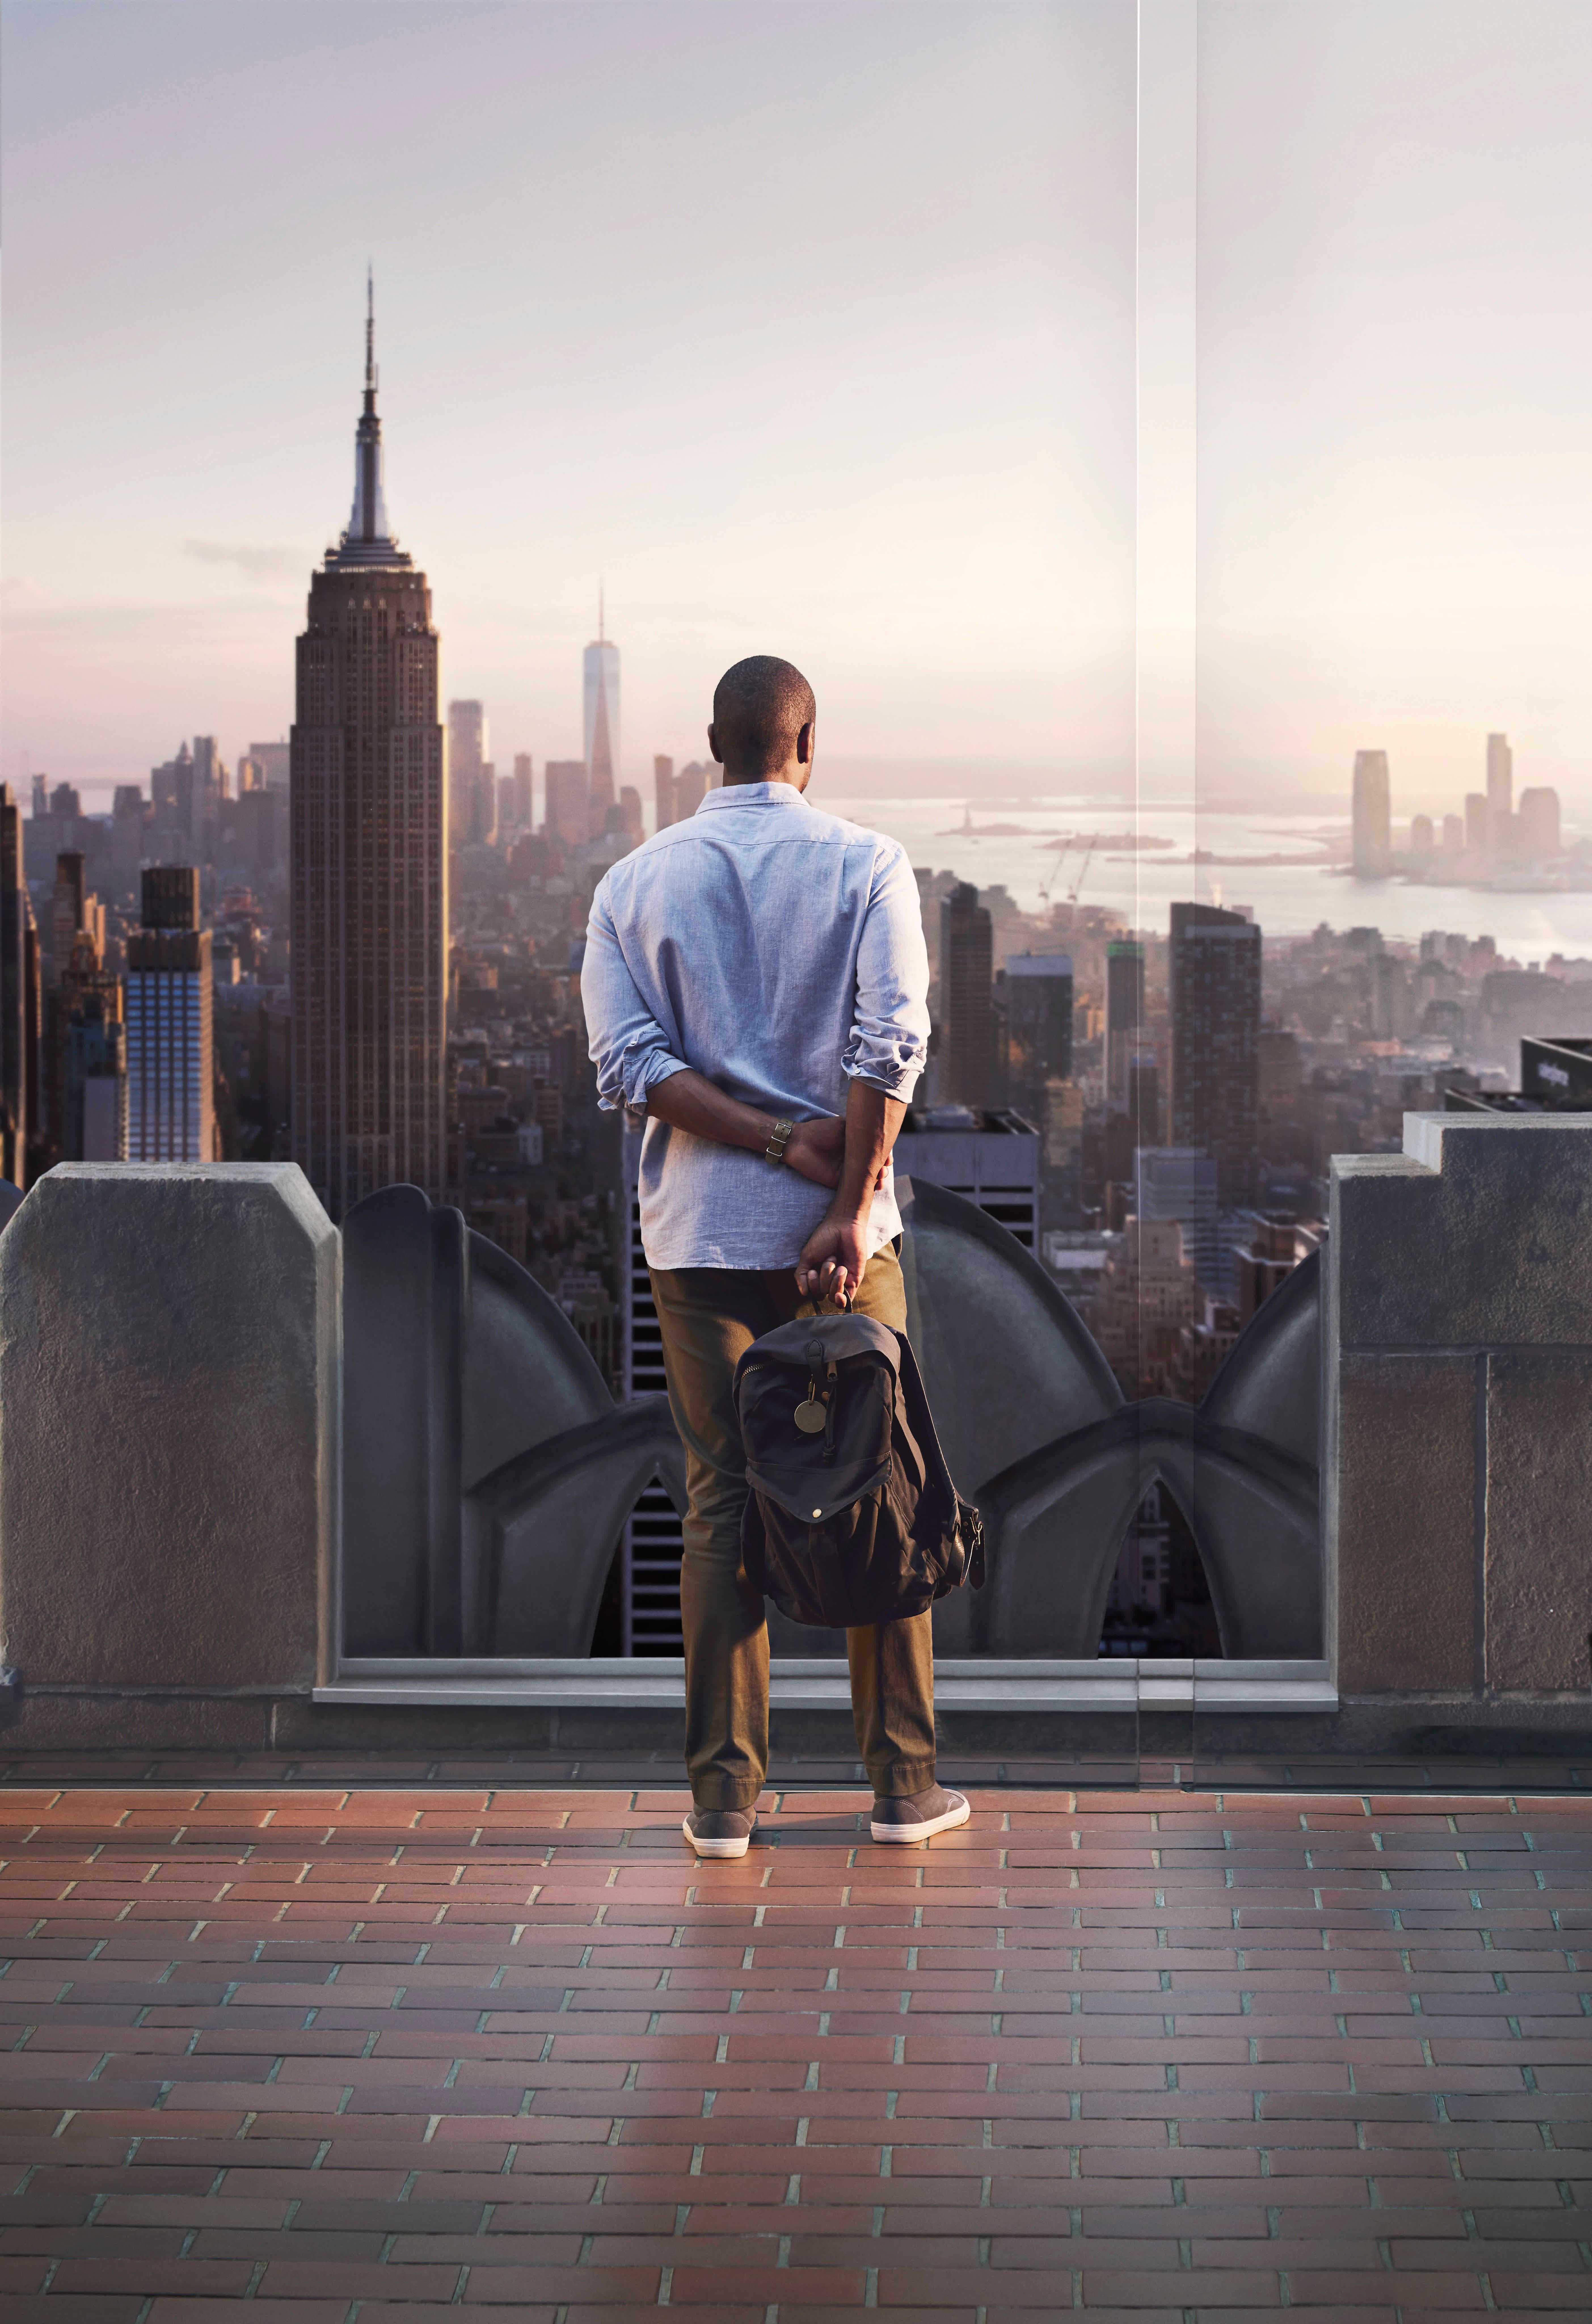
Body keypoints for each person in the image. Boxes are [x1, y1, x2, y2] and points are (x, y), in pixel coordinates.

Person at [582, 655, 971, 1860]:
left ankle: (723, 1803)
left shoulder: (632, 885)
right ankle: (903, 1788)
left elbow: (627, 1067)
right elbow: (892, 1040)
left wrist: (759, 1139)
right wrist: (848, 1202)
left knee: (717, 1504)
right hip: (850, 1240)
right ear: (810, 744)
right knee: (880, 1485)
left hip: (698, 1241)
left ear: (714, 742)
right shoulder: (868, 864)